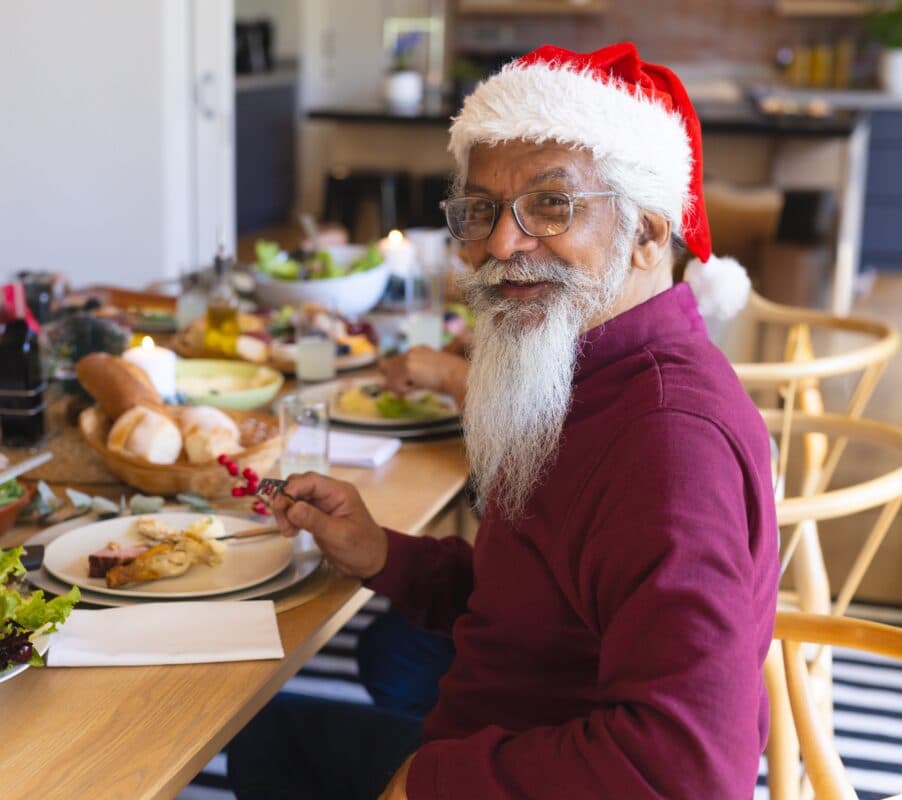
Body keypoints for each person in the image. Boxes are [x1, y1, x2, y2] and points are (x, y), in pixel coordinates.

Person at [228, 42, 779, 799]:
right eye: (480, 210)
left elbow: (690, 772)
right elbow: (535, 601)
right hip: (508, 741)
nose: (500, 243)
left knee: (258, 732)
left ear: (651, 232)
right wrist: (382, 554)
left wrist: (431, 779)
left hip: (504, 770)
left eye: (551, 205)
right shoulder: (581, 374)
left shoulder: (669, 442)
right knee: (265, 727)